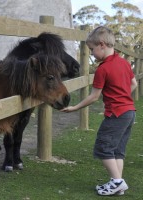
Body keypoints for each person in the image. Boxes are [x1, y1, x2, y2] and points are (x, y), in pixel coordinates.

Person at [61, 26, 137, 196]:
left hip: (116, 114)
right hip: (130, 112)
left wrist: (75, 107)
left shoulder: (103, 69)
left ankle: (117, 182)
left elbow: (94, 96)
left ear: (102, 45)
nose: (91, 54)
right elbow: (134, 85)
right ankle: (117, 183)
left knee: (103, 147)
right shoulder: (124, 63)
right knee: (117, 150)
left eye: (92, 49)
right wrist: (122, 96)